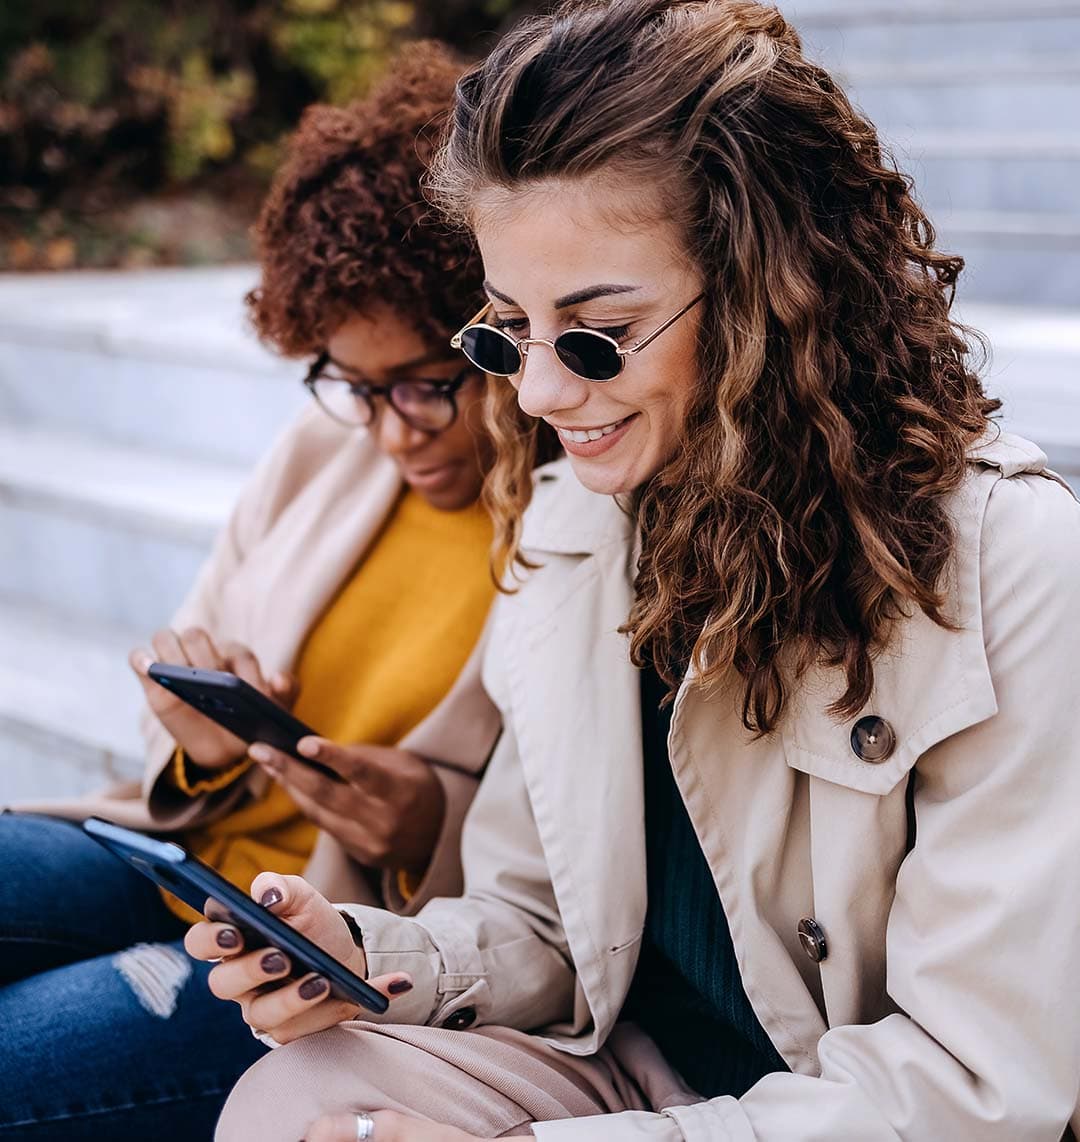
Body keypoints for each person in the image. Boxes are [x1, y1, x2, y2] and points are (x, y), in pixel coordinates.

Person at [190, 2, 1080, 1140]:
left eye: (597, 335)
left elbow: (968, 1084)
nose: (538, 393)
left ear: (774, 291)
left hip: (855, 1110)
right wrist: (369, 951)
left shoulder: (1007, 563)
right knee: (293, 1097)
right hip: (633, 1076)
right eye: (507, 329)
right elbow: (542, 920)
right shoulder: (572, 521)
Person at [0, 43, 550, 1142]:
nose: (397, 431)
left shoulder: (565, 531)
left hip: (313, 947)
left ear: (503, 331)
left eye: (431, 384)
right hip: (174, 857)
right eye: (356, 384)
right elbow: (199, 741)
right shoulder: (324, 451)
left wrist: (418, 820)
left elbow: (540, 889)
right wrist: (202, 738)